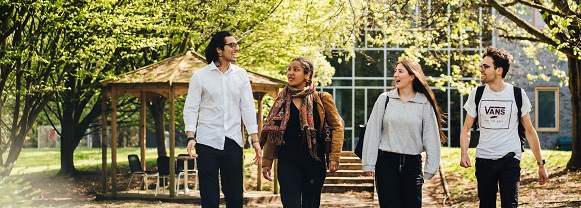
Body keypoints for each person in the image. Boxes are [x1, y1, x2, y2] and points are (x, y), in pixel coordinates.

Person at [459, 46, 549, 208]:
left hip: (510, 159)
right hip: (484, 159)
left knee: (510, 205)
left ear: (499, 70)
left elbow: (529, 130)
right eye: (482, 66)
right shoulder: (477, 94)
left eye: (486, 66)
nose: (481, 69)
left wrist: (540, 164)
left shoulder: (517, 94)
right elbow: (466, 128)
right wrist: (464, 153)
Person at [183, 31, 262, 208]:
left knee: (235, 197)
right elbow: (191, 108)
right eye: (232, 45)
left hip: (233, 142)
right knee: (209, 198)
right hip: (207, 142)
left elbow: (248, 108)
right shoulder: (200, 76)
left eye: (236, 45)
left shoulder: (241, 75)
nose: (236, 48)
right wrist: (190, 136)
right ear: (219, 49)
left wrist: (255, 140)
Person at [361, 59, 446, 208]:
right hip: (386, 163)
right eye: (395, 71)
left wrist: (430, 168)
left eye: (400, 71)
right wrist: (369, 162)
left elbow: (431, 136)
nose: (395, 75)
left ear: (412, 76)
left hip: (412, 164)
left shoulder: (424, 103)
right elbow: (373, 131)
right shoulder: (385, 99)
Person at [260, 57, 344, 208]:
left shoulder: (322, 99)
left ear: (307, 75)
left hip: (314, 160)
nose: (290, 73)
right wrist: (267, 162)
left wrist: (334, 157)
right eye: (289, 69)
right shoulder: (281, 101)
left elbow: (337, 127)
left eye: (296, 70)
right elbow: (274, 132)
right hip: (287, 160)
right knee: (290, 203)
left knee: (311, 204)